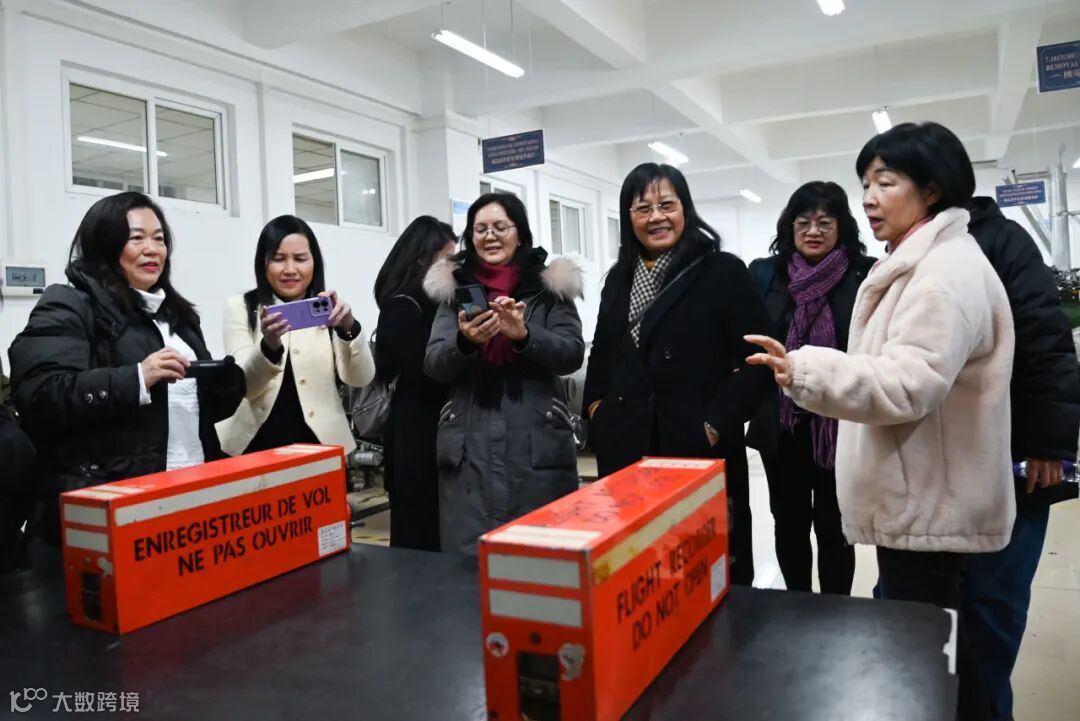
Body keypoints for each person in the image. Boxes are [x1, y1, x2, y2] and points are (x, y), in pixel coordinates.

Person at [746, 121, 1015, 720]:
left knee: (935, 655)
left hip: (928, 502)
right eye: (866, 183)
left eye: (885, 182)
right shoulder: (919, 264)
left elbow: (907, 382)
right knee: (939, 649)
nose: (868, 198)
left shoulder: (941, 275)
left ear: (932, 189)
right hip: (920, 497)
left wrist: (804, 369)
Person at [8, 192, 245, 545]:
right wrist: (136, 378)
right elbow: (41, 394)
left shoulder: (177, 316)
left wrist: (224, 384)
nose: (152, 250)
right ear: (105, 244)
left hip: (190, 491)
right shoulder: (69, 303)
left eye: (159, 239)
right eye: (137, 238)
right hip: (114, 506)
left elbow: (188, 410)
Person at [582, 163, 774, 586]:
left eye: (666, 205)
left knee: (708, 570)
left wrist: (714, 424)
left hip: (696, 447)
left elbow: (759, 358)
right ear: (628, 217)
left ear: (685, 208)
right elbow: (603, 355)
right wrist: (597, 411)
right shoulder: (619, 279)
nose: (656, 217)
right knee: (640, 574)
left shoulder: (721, 271)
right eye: (642, 208)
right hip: (628, 448)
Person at [961, 195, 1080, 721]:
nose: (873, 197)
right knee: (936, 612)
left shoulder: (1001, 242)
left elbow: (1047, 341)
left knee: (993, 606)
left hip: (1012, 459)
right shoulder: (907, 250)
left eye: (888, 182)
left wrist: (1049, 447)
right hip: (943, 463)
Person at [423, 193, 585, 555]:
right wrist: (464, 342)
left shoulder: (548, 288)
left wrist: (525, 335)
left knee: (541, 557)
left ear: (520, 232)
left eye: (500, 227)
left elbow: (571, 353)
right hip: (469, 443)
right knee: (469, 564)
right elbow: (434, 363)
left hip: (537, 441)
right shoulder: (456, 290)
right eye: (480, 229)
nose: (490, 236)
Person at [746, 181, 874, 595]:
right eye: (803, 222)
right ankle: (797, 605)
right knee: (789, 522)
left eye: (824, 222)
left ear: (842, 227)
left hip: (841, 423)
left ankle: (835, 610)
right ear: (790, 226)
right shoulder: (766, 274)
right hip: (782, 426)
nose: (813, 231)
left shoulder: (865, 275)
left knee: (836, 526)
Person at [216, 215, 375, 456]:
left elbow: (361, 378)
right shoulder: (242, 307)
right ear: (263, 263)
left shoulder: (329, 310)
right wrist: (268, 346)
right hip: (253, 446)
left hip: (321, 445)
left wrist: (348, 328)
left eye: (300, 259)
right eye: (278, 259)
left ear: (314, 263)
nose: (290, 270)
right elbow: (246, 387)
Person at [373, 216, 457, 551]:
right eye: (447, 258)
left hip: (439, 428)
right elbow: (424, 374)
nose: (454, 267)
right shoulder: (402, 306)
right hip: (416, 434)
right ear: (422, 258)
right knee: (418, 534)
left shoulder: (441, 304)